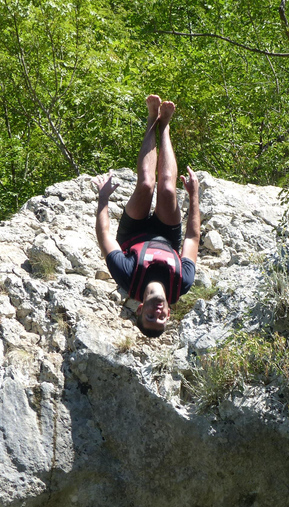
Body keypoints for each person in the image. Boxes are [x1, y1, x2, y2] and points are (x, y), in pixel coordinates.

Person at [92, 95, 200, 337]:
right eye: (160, 318)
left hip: (133, 232)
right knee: (168, 188)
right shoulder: (181, 282)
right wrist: (194, 195)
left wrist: (103, 198)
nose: (157, 312)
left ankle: (152, 119)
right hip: (167, 234)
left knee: (146, 185)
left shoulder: (127, 277)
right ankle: (166, 126)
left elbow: (104, 236)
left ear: (140, 308)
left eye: (150, 317)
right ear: (168, 315)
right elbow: (192, 239)